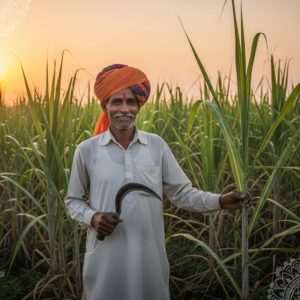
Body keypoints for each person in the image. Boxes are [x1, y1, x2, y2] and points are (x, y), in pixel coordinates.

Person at [64, 64, 250, 300]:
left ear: (139, 106)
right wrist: (94, 217)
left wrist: (221, 201)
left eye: (131, 102)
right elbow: (73, 201)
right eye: (116, 102)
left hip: (149, 259)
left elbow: (182, 194)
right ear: (105, 106)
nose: (124, 109)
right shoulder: (87, 150)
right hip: (105, 260)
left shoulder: (156, 146)